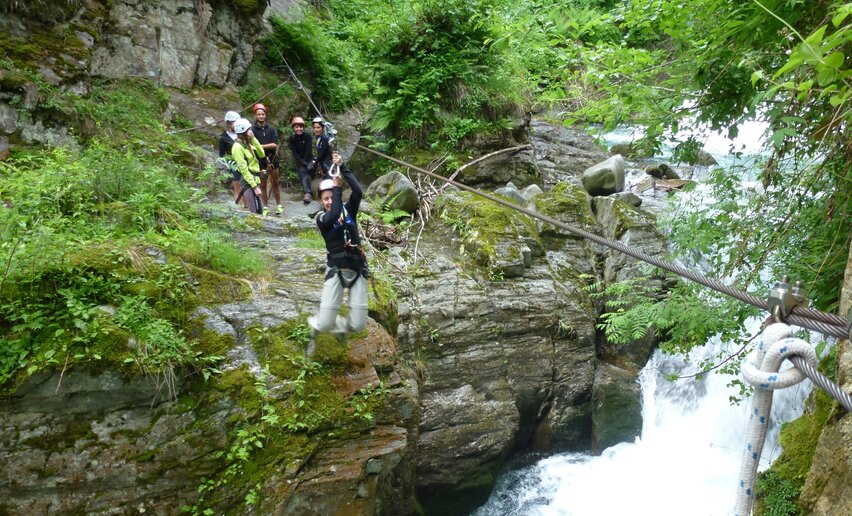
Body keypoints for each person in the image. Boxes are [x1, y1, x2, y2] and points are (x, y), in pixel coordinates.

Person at [307, 152, 369, 353]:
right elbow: (334, 213)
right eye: (325, 199)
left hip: (357, 269)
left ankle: (342, 328)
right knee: (324, 324)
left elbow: (358, 192)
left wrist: (344, 167)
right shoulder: (322, 218)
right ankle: (315, 326)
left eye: (330, 198)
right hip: (336, 269)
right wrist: (336, 188)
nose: (328, 201)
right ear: (321, 201)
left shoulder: (348, 211)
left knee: (358, 324)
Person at [251, 103, 282, 216]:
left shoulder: (271, 129)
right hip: (261, 160)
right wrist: (263, 147)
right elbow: (252, 146)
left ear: (265, 115)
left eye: (263, 114)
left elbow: (275, 145)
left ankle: (279, 205)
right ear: (255, 115)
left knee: (275, 182)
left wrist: (259, 147)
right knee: (263, 184)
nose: (261, 116)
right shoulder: (252, 130)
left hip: (272, 158)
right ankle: (265, 206)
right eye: (259, 114)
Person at [231, 118, 265, 215]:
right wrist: (254, 187)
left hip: (255, 179)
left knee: (260, 211)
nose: (251, 131)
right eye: (249, 129)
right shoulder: (237, 147)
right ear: (243, 131)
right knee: (255, 213)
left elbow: (262, 154)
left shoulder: (247, 143)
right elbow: (244, 170)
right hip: (248, 181)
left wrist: (254, 139)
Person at [218, 110, 248, 209]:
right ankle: (239, 208)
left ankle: (249, 207)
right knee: (238, 188)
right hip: (234, 166)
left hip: (245, 163)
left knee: (248, 187)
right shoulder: (223, 138)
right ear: (229, 124)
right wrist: (230, 165)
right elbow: (222, 155)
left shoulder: (242, 134)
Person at [287, 116, 315, 204]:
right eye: (297, 127)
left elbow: (308, 150)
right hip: (299, 161)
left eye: (300, 127)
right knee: (302, 171)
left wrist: (305, 161)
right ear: (294, 128)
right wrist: (301, 161)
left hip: (309, 159)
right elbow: (294, 152)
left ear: (303, 127)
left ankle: (308, 192)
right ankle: (307, 192)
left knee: (306, 170)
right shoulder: (292, 138)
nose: (299, 129)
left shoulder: (307, 136)